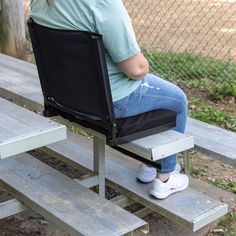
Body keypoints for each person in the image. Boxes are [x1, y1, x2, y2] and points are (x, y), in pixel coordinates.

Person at [30, 0, 189, 199]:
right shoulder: (103, 4)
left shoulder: (40, 2)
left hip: (68, 99)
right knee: (179, 100)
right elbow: (136, 69)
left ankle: (149, 165)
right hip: (111, 102)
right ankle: (166, 176)